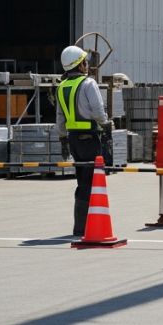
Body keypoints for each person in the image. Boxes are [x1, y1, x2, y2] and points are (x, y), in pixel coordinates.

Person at [55, 45, 112, 237]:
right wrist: (106, 124)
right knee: (91, 181)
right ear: (79, 65)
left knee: (82, 179)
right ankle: (84, 227)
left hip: (73, 140)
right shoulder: (88, 84)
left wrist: (63, 139)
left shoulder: (62, 87)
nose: (87, 65)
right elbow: (97, 111)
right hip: (89, 137)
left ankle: (81, 225)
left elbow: (60, 118)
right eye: (84, 62)